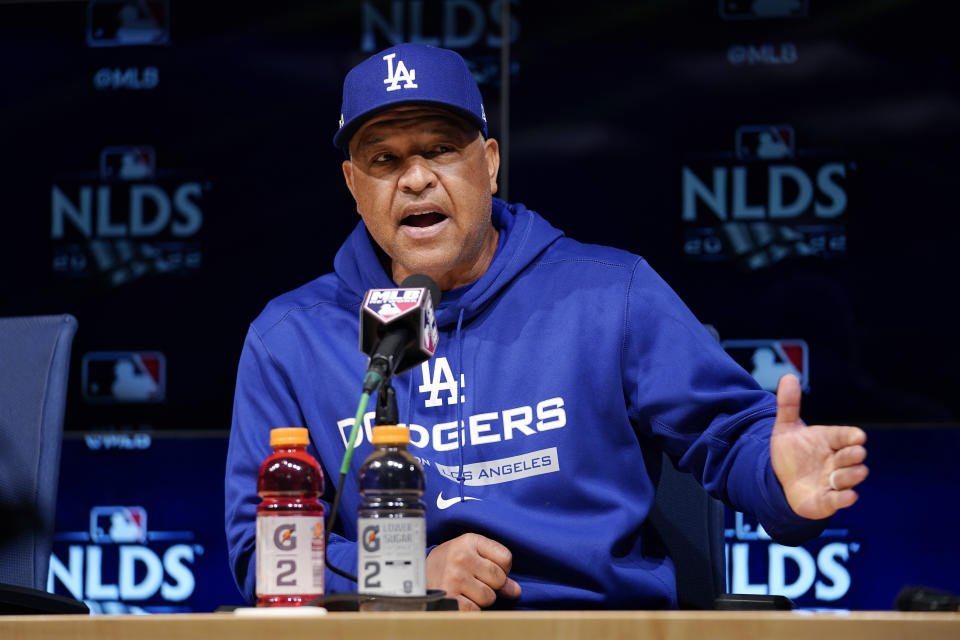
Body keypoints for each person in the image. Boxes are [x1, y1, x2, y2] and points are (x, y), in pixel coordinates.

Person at [224, 42, 868, 610]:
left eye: (441, 149)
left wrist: (782, 480)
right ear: (353, 185)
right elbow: (262, 550)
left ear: (490, 163)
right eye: (384, 160)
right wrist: (398, 576)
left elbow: (731, 439)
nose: (416, 178)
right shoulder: (290, 340)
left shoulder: (609, 296)